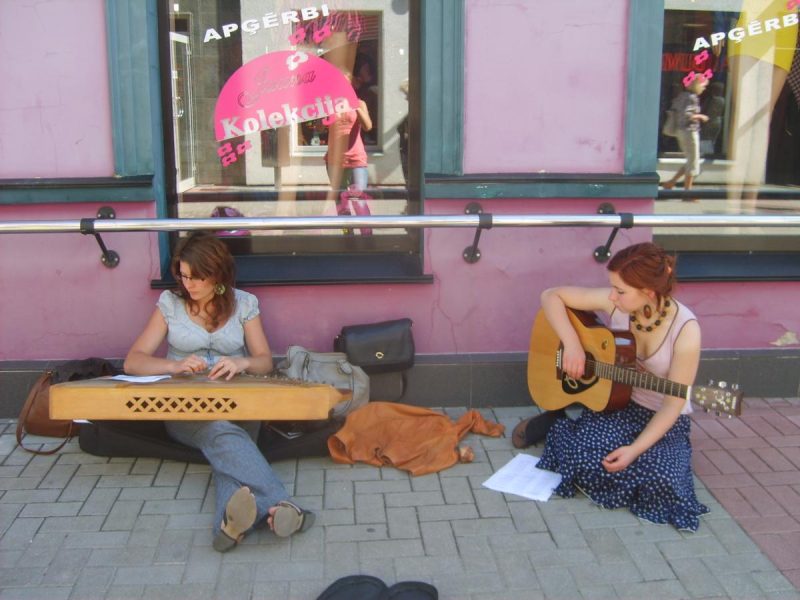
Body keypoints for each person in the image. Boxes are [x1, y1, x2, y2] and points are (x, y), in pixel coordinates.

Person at [123, 232, 314, 552]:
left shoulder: (244, 304)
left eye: (197, 277)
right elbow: (133, 361)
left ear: (218, 275)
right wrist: (174, 366)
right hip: (186, 408)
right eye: (183, 276)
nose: (189, 285)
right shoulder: (170, 304)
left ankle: (229, 528)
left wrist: (240, 362)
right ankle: (283, 505)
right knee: (220, 433)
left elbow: (265, 361)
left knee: (230, 441)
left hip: (241, 402)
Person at [513, 242, 710, 532]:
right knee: (585, 454)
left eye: (620, 291)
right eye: (612, 287)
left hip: (662, 420)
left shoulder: (685, 330)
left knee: (663, 479)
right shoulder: (616, 302)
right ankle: (561, 424)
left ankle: (578, 429)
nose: (612, 296)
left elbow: (673, 404)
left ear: (648, 292)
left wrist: (633, 450)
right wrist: (572, 345)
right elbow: (551, 296)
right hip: (619, 406)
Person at [661, 74, 709, 199]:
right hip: (689, 131)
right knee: (693, 161)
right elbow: (687, 115)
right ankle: (688, 193)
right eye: (703, 86)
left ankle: (671, 183)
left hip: (680, 131)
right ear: (698, 85)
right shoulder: (692, 98)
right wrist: (701, 116)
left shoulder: (682, 96)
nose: (704, 88)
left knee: (690, 160)